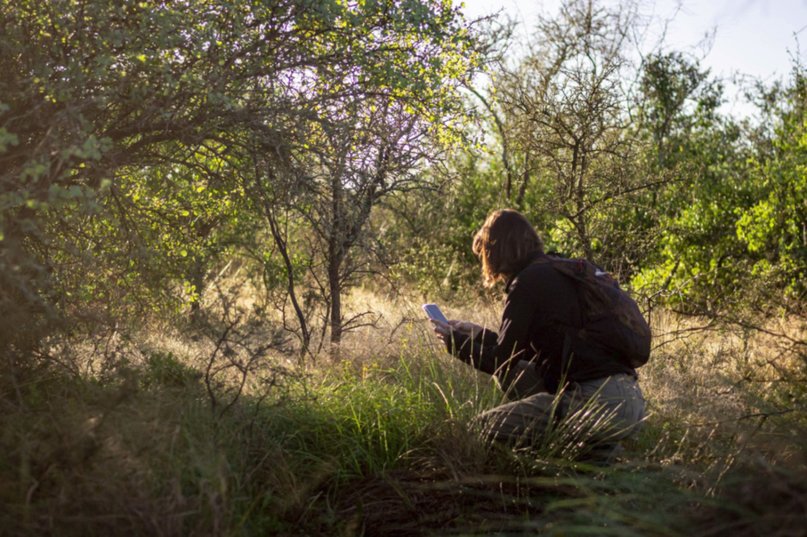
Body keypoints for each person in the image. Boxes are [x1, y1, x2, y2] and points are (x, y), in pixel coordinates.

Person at [431, 209, 646, 459]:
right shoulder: (558, 270)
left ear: (496, 251)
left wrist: (454, 343)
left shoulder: (527, 283)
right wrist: (471, 332)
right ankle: (601, 453)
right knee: (515, 375)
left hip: (595, 402)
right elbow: (513, 354)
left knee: (481, 427)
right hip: (629, 400)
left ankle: (584, 454)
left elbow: (501, 361)